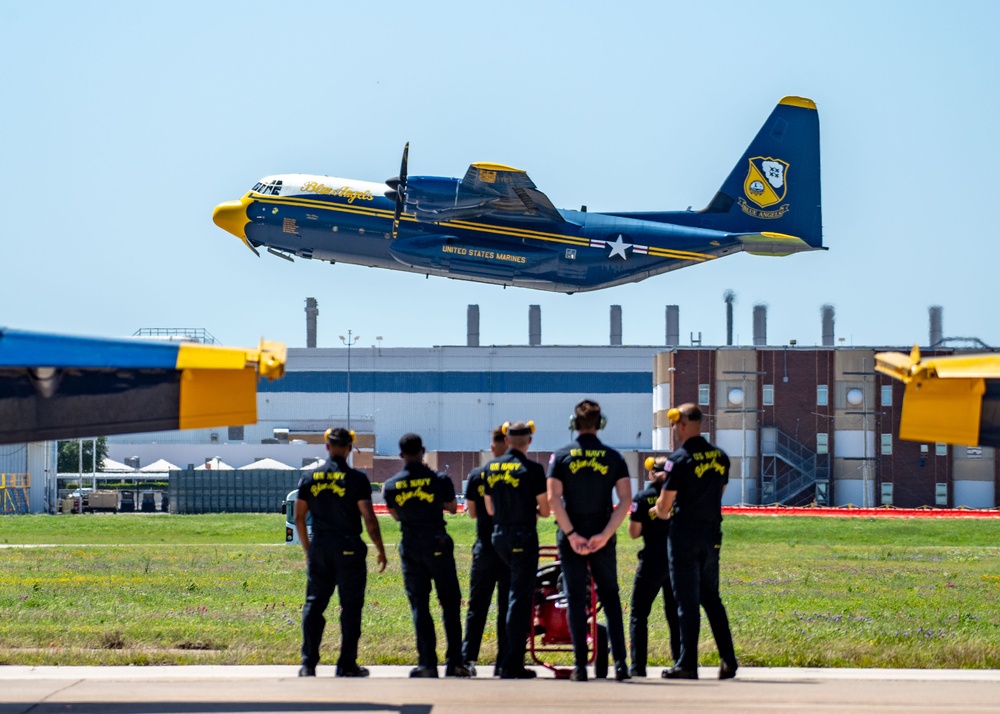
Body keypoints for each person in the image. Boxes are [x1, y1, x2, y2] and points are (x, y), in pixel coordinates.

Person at [547, 399, 632, 682]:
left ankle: (581, 667)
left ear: (574, 424)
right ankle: (620, 664)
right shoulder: (614, 458)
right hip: (601, 533)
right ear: (600, 423)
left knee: (574, 597)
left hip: (572, 534)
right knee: (609, 596)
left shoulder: (560, 457)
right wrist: (605, 535)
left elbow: (553, 499)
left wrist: (571, 535)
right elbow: (625, 500)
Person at [652, 403, 738, 680]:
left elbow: (665, 506)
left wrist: (657, 510)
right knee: (711, 598)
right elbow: (719, 493)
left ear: (682, 425)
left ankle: (687, 663)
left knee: (686, 601)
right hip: (712, 533)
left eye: (675, 425)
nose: (674, 430)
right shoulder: (721, 456)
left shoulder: (678, 460)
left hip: (684, 536)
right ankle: (728, 659)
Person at [295, 427, 387, 678]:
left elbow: (299, 517)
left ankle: (308, 664)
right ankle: (346, 664)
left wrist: (308, 549)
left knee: (314, 606)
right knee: (350, 608)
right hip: (348, 547)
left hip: (321, 547)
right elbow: (369, 517)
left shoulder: (309, 478)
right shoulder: (356, 480)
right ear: (349, 449)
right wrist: (380, 548)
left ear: (327, 447)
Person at [383, 433, 472, 678]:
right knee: (450, 605)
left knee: (420, 606)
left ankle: (426, 664)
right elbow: (453, 508)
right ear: (423, 450)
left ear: (401, 454)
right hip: (437, 543)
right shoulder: (440, 479)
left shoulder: (391, 485)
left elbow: (396, 515)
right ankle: (455, 662)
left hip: (411, 545)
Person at [483, 421, 550, 679]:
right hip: (523, 536)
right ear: (529, 442)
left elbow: (489, 510)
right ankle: (512, 663)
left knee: (507, 597)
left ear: (507, 440)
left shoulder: (491, 467)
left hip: (498, 536)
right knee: (519, 600)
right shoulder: (533, 469)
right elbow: (544, 510)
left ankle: (503, 659)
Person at [461, 426, 510, 676]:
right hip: (510, 549)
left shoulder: (477, 475)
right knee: (506, 607)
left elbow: (471, 512)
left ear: (492, 447)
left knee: (477, 607)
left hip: (484, 548)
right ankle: (504, 661)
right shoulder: (517, 473)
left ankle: (468, 658)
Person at [627, 456, 680, 678]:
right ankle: (681, 661)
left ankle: (638, 666)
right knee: (675, 614)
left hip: (651, 561)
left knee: (639, 613)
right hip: (675, 561)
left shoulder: (642, 497)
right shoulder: (679, 497)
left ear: (651, 473)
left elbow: (633, 533)